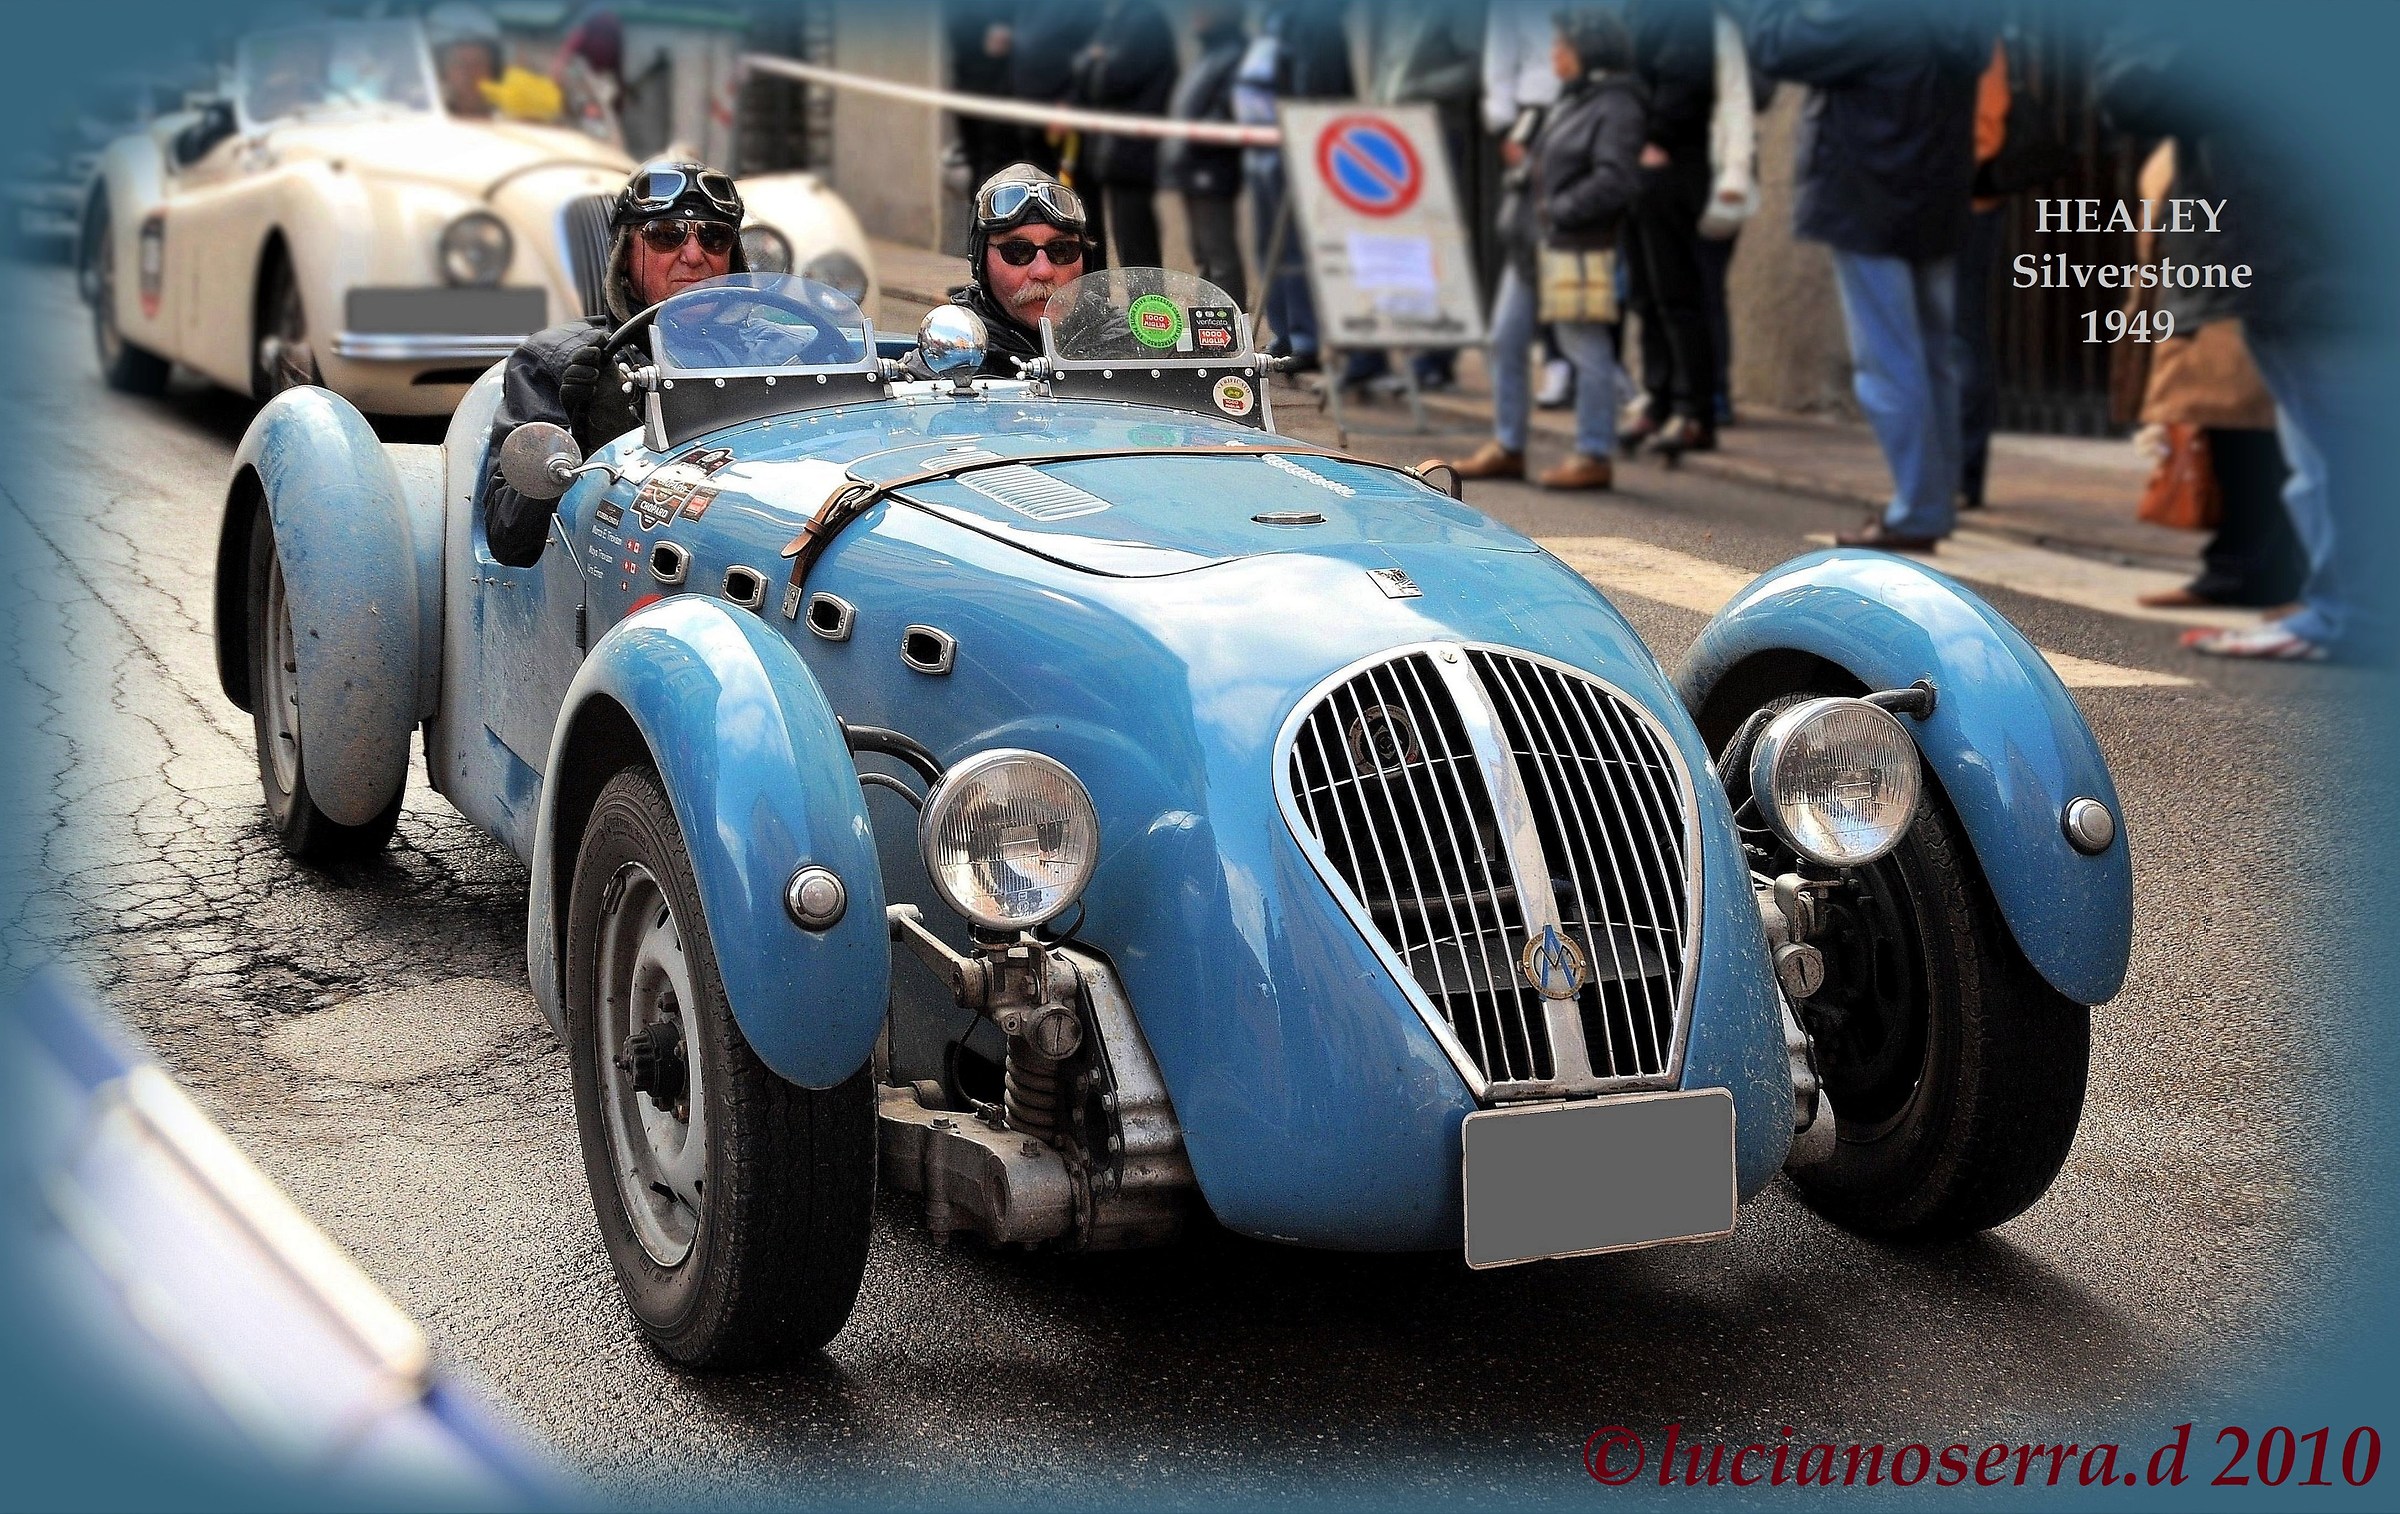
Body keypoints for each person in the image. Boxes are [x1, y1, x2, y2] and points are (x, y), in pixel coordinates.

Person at [2097, 27, 2378, 661]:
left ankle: (2350, 615)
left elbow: (2136, 88)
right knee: (2323, 442)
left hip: (2301, 236)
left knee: (2337, 439)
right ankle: (2340, 607)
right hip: (2300, 235)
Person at [1746, 0, 1992, 553]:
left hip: (1868, 192)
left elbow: (1777, 45)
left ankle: (1919, 508)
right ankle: (1937, 491)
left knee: (1888, 359)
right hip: (1934, 193)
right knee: (1933, 352)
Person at [483, 163, 750, 567]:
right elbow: (510, 539)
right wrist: (582, 437)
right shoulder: (555, 360)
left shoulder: (791, 348)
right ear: (625, 255)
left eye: (714, 237)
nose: (694, 255)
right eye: (665, 236)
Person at [1440, 8, 1643, 491]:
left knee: (1584, 348)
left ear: (1589, 51)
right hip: (1532, 245)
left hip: (1573, 244)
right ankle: (1509, 446)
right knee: (1505, 341)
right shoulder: (1573, 98)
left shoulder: (1617, 105)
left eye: (1562, 47)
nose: (1553, 55)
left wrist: (1558, 209)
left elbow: (1617, 179)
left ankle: (1594, 454)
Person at [2114, 143, 2302, 611]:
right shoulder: (2181, 150)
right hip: (2199, 302)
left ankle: (2261, 572)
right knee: (2228, 442)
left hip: (2238, 300)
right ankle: (2238, 569)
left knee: (2261, 444)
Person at [1621, 0, 1719, 458]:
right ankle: (1658, 400)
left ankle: (1694, 409)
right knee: (1646, 295)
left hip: (1671, 163)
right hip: (1642, 162)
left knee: (1677, 294)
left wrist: (1656, 136)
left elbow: (1686, 74)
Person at [1236, 1, 1353, 372]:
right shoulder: (1274, 21)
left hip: (1293, 149)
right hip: (1262, 150)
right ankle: (1283, 331)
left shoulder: (1315, 21)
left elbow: (1312, 86)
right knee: (1267, 247)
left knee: (1294, 251)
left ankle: (1306, 339)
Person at [1485, 0, 1573, 407]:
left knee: (1581, 238)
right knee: (1535, 241)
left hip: (1590, 106)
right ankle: (1556, 357)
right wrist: (1508, 129)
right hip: (1535, 116)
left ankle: (1590, 361)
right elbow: (1499, 62)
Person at [940, 164, 1093, 378]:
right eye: (1018, 251)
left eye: (1061, 250)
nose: (1043, 271)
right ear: (981, 265)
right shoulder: (946, 361)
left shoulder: (1120, 340)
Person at [1069, 0, 1176, 270]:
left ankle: (1147, 310)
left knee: (1136, 245)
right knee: (1105, 233)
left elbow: (1113, 78)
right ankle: (1103, 302)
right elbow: (1081, 67)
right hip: (1114, 148)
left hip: (1135, 148)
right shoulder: (1118, 18)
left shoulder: (1144, 21)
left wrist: (1094, 61)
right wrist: (1093, 61)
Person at [1163, 3, 1251, 307]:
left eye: (1205, 9)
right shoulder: (1210, 56)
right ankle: (1209, 325)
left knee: (1219, 255)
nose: (1195, 15)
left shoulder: (1235, 56)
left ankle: (1230, 327)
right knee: (1203, 254)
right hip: (1194, 167)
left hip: (1213, 168)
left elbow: (1230, 112)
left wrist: (1191, 136)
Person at [426, 2, 505, 120]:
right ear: (442, 72)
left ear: (493, 69)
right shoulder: (421, 121)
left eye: (478, 62)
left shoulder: (516, 123)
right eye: (458, 63)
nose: (469, 72)